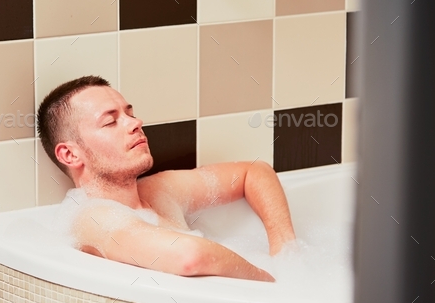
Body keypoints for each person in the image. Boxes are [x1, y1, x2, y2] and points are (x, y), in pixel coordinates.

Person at [36, 75, 296, 282]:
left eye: (129, 113)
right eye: (111, 122)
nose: (135, 123)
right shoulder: (93, 218)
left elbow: (254, 172)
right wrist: (271, 283)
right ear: (70, 154)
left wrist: (286, 254)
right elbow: (190, 256)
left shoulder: (158, 191)